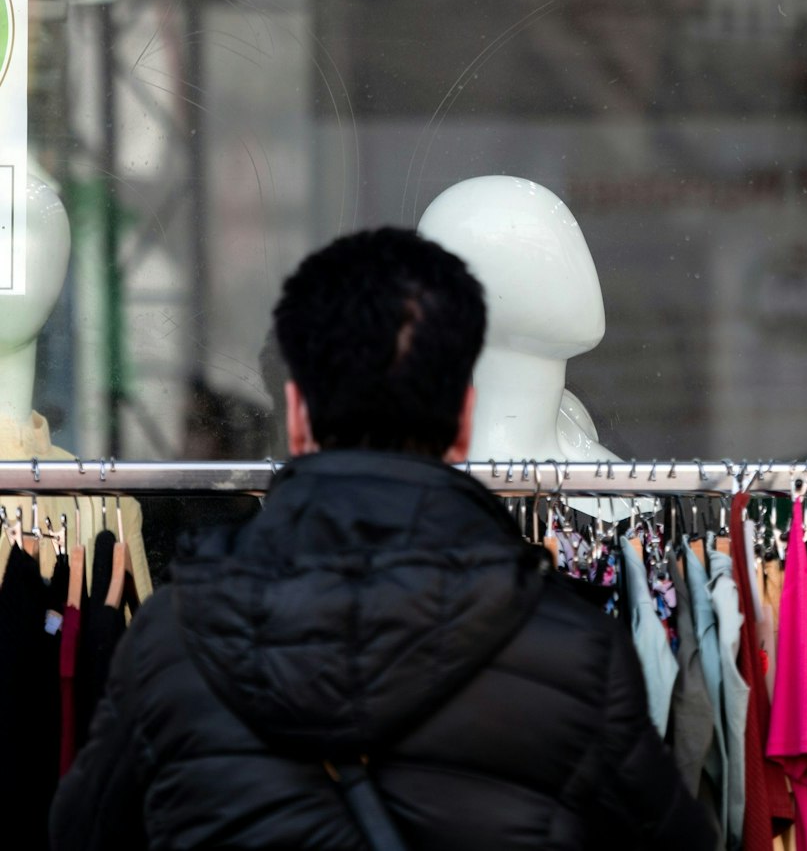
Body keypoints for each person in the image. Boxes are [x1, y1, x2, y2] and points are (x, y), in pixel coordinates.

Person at [52, 228, 715, 851]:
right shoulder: (572, 656)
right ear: (463, 419)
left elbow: (80, 833)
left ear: (298, 417)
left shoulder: (174, 641)